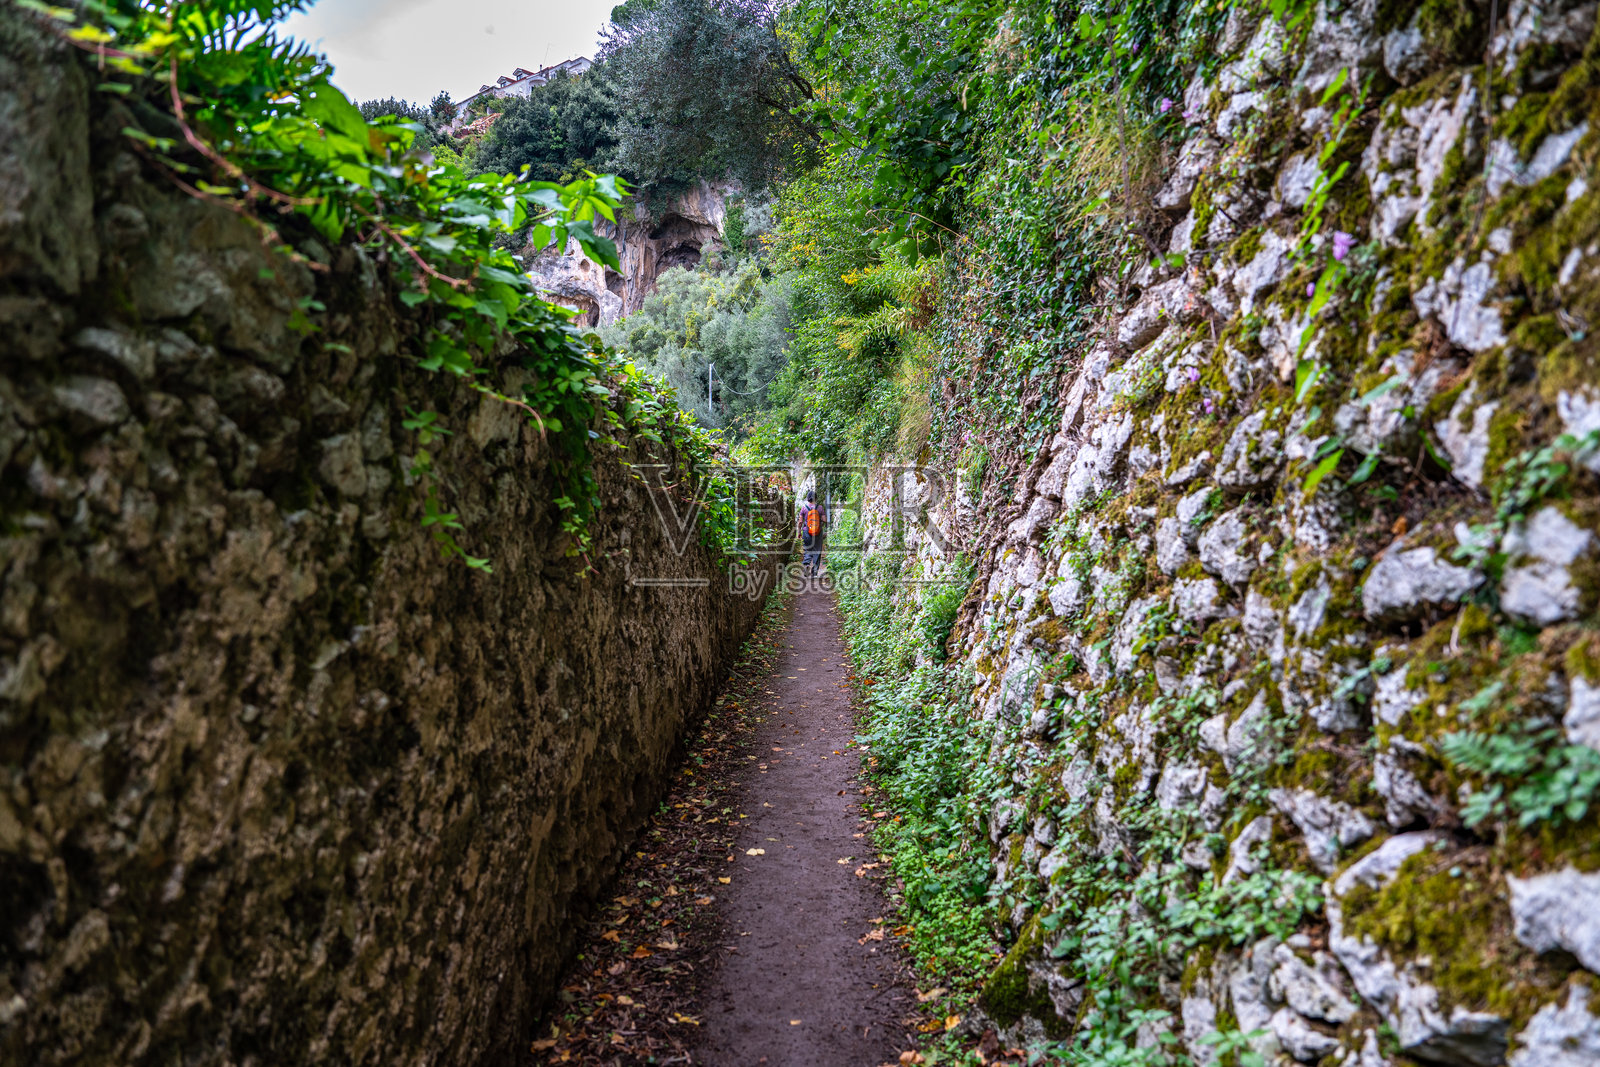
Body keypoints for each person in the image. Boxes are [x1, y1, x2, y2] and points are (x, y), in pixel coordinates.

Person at [797, 488, 826, 578]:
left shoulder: (804, 508)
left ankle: (806, 565)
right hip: (818, 532)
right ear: (816, 498)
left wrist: (799, 532)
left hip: (806, 531)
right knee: (817, 550)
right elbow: (825, 520)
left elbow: (800, 522)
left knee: (807, 549)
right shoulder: (820, 508)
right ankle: (815, 572)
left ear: (807, 498)